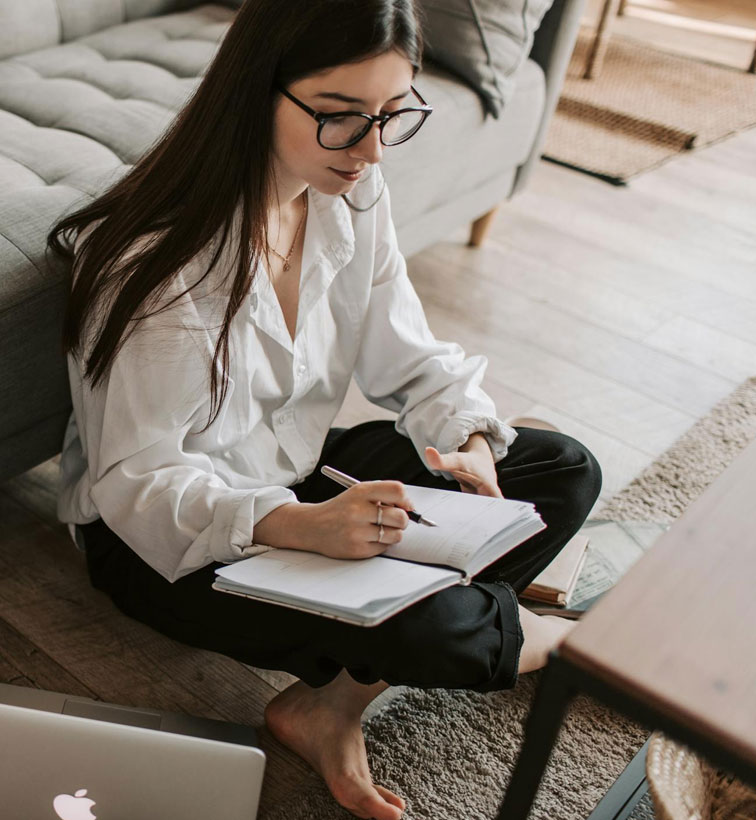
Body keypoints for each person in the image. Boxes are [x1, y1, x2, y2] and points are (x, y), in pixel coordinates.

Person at [44, 0, 603, 817]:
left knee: (558, 470)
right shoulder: (158, 268)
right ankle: (560, 641)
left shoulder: (350, 192)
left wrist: (469, 442)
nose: (373, 149)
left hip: (298, 473)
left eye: (391, 115)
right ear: (254, 91)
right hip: (170, 541)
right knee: (435, 627)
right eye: (342, 119)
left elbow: (406, 354)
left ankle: (330, 703)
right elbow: (140, 482)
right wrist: (301, 528)